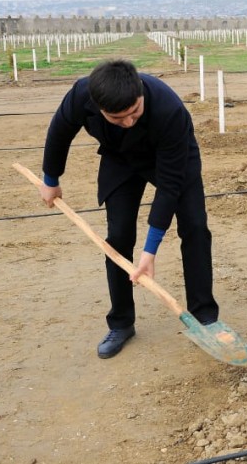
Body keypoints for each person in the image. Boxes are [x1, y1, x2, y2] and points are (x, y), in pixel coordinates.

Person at [38, 59, 220, 359]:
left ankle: (205, 317)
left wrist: (150, 252)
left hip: (174, 162)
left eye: (134, 112)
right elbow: (60, 131)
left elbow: (170, 187)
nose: (129, 122)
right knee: (118, 237)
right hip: (120, 160)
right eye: (117, 118)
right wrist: (50, 179)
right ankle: (121, 322)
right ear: (97, 107)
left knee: (195, 228)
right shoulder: (81, 94)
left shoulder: (169, 109)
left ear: (140, 94)